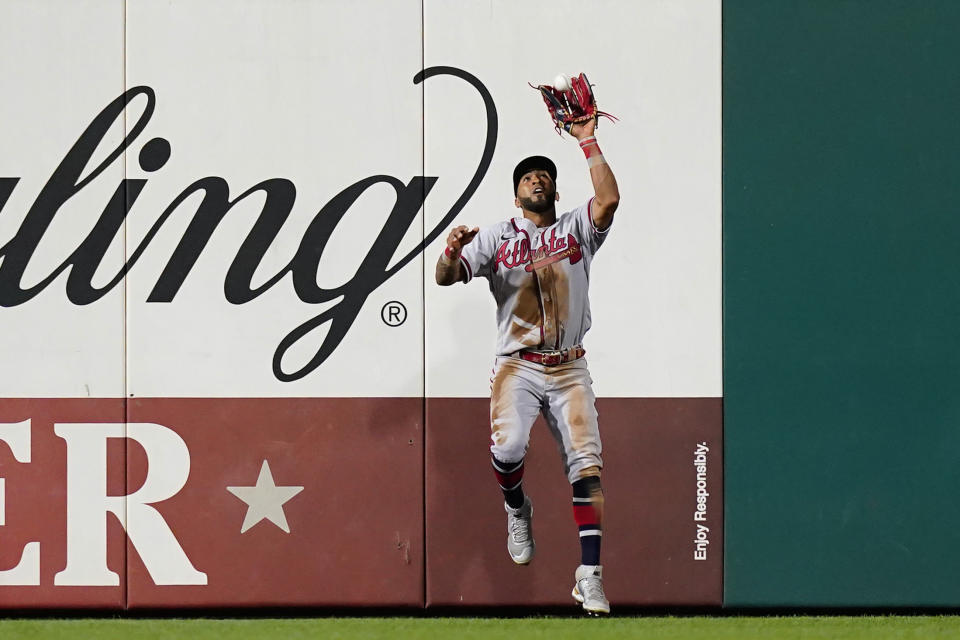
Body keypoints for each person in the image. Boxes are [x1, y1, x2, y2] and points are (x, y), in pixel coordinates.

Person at [435, 116, 619, 615]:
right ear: (517, 196)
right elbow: (445, 277)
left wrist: (587, 140)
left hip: (569, 366)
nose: (537, 179)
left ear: (554, 190)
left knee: (588, 464)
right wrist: (451, 250)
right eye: (526, 177)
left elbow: (608, 201)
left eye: (543, 175)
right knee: (510, 446)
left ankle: (590, 574)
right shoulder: (499, 236)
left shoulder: (576, 229)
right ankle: (517, 506)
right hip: (518, 365)